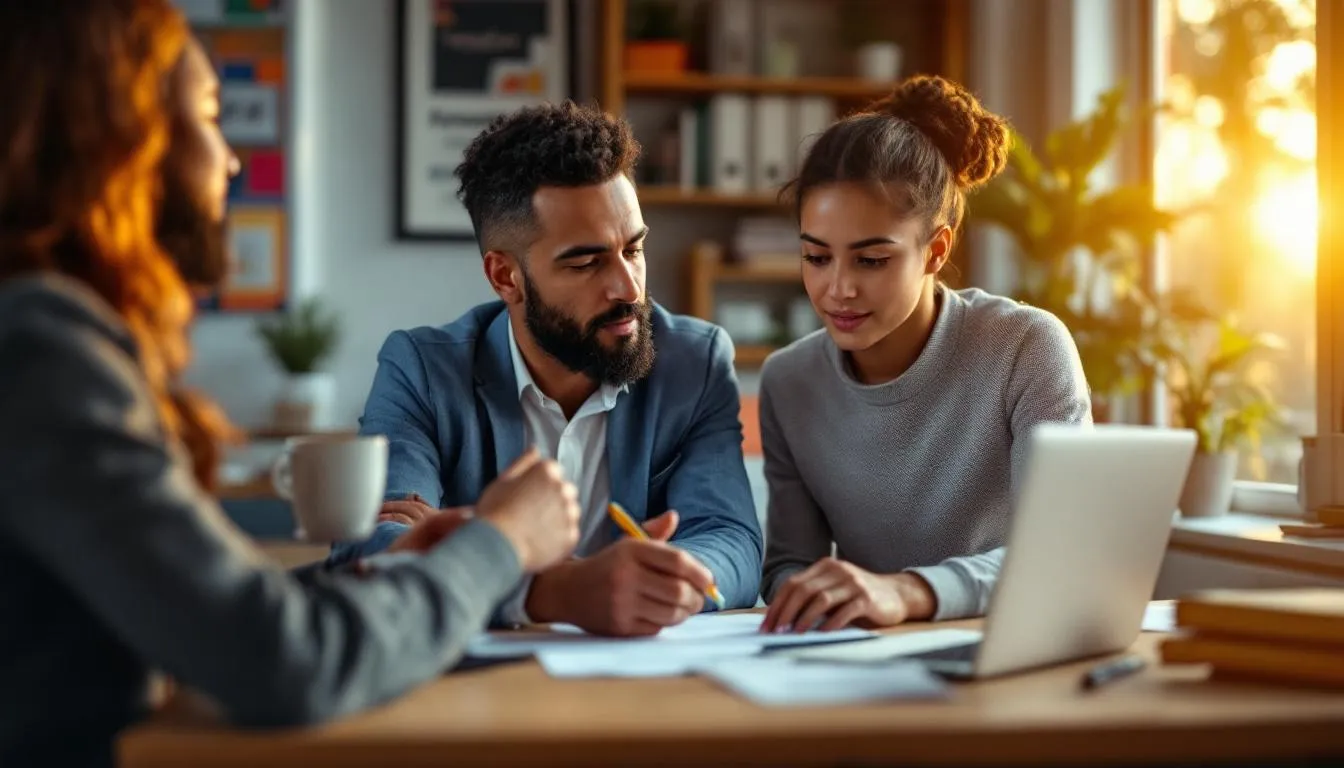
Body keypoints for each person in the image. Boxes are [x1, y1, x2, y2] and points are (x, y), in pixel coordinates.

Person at [0, 3, 580, 766]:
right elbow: (283, 662)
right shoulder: (43, 347)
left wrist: (417, 566)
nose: (231, 161)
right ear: (120, 140)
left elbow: (204, 618)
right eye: (209, 117)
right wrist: (500, 542)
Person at [328, 101, 763, 637]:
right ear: (505, 277)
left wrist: (662, 581)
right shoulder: (421, 371)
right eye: (585, 263)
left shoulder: (694, 362)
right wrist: (561, 592)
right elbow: (369, 552)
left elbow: (732, 539)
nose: (628, 288)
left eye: (634, 249)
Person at [757, 75, 1092, 634]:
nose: (838, 288)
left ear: (936, 250)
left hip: (1006, 646)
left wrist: (908, 591)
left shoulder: (1026, 348)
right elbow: (792, 564)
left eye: (871, 261)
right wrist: (804, 593)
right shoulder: (788, 381)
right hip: (860, 660)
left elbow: (1061, 552)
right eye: (817, 258)